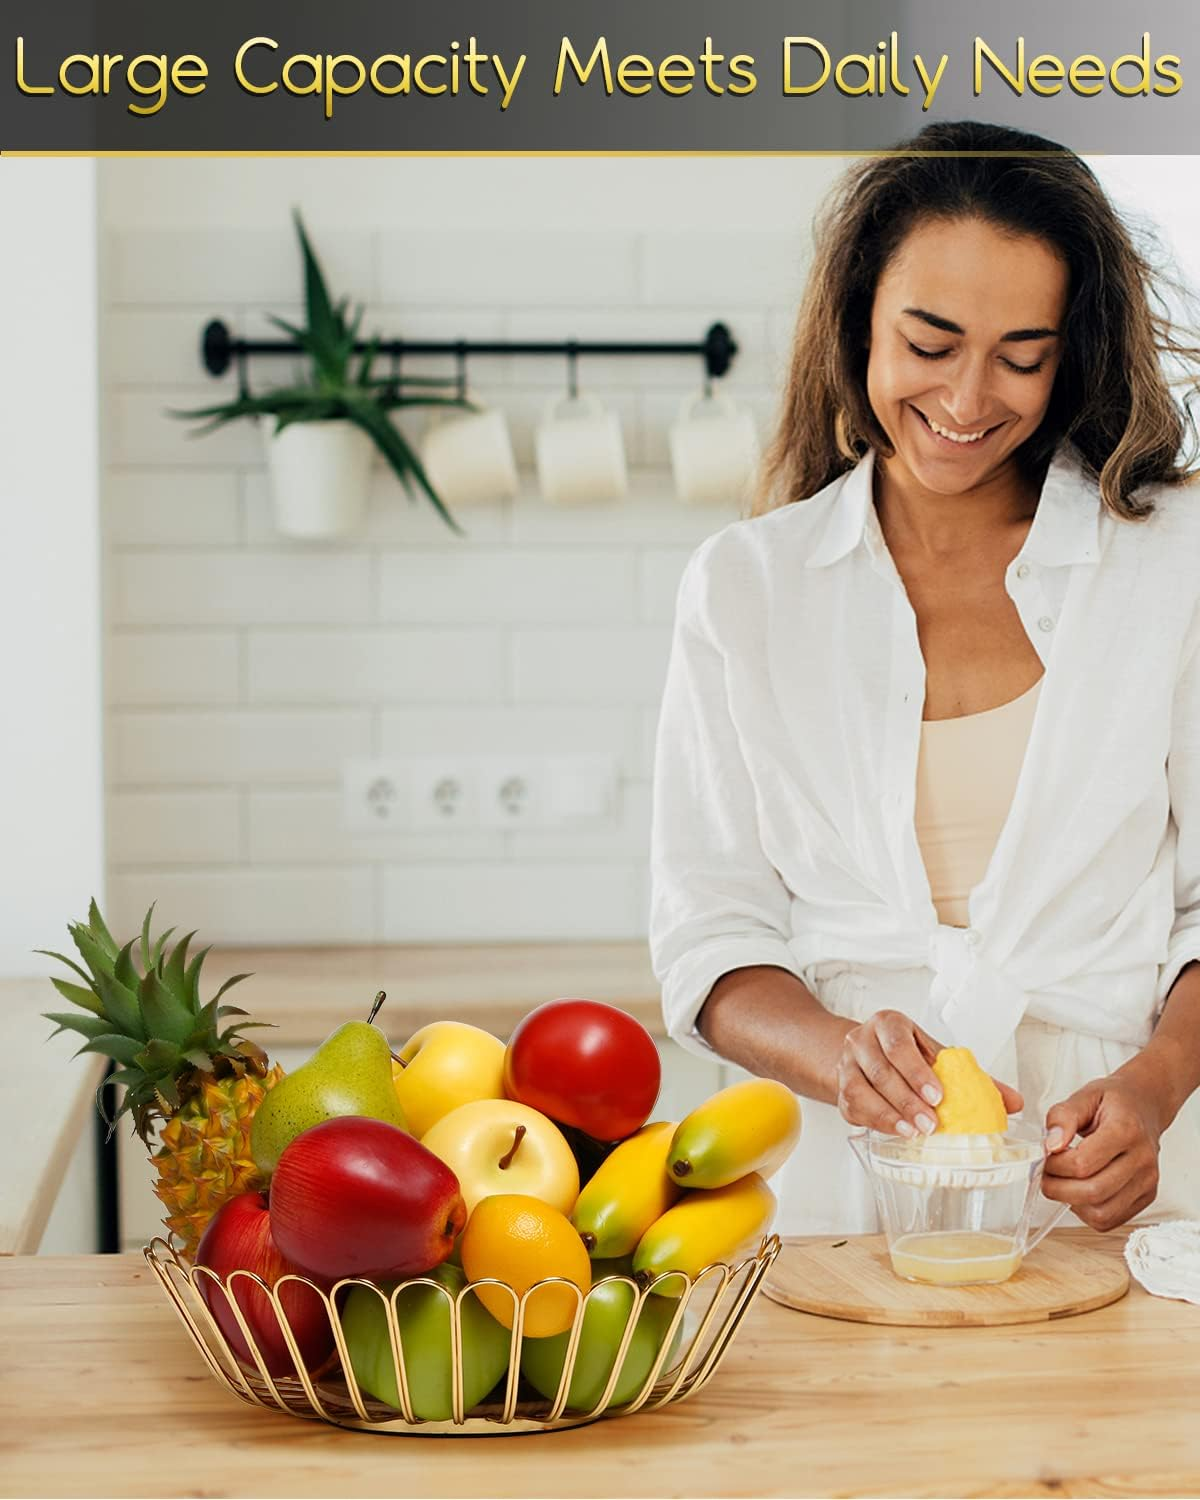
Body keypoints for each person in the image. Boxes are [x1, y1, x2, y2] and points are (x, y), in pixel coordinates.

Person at [649, 120, 1200, 1237]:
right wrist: (844, 1054)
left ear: (1071, 353)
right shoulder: (749, 589)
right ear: (858, 321)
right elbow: (713, 938)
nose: (968, 398)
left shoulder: (1170, 562)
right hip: (844, 1177)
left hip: (1112, 1175)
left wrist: (1153, 1089)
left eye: (1022, 355)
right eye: (932, 341)